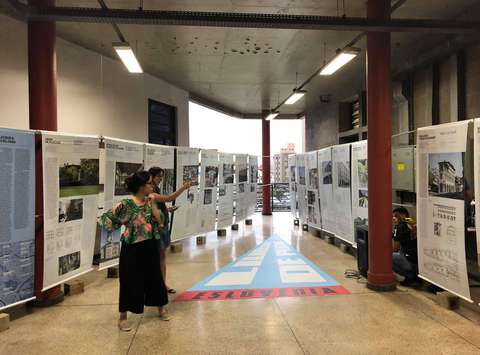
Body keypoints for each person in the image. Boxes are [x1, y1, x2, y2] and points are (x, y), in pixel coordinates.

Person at [99, 171, 169, 332]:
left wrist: (154, 210)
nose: (153, 186)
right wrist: (121, 223)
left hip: (150, 244)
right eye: (150, 183)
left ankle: (161, 308)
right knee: (129, 281)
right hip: (131, 248)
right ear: (141, 186)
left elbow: (160, 222)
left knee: (155, 277)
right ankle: (122, 317)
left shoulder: (150, 201)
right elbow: (106, 220)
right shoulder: (125, 204)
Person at [148, 166, 193, 294]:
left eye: (162, 176)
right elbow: (168, 198)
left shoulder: (154, 189)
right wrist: (184, 187)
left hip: (162, 226)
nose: (161, 179)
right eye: (158, 176)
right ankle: (158, 285)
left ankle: (162, 284)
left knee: (162, 257)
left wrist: (166, 210)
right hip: (156, 228)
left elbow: (156, 207)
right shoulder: (150, 191)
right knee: (158, 258)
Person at [392, 207, 418, 285]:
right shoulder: (411, 222)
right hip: (418, 263)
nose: (394, 218)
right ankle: (411, 276)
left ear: (403, 216)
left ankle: (404, 278)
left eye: (396, 216)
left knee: (383, 257)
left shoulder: (399, 227)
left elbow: (395, 249)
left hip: (409, 263)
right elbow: (412, 221)